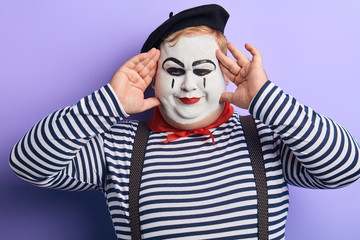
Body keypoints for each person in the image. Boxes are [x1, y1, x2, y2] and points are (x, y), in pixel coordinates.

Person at [9, 4, 360, 240]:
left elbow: (346, 167)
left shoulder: (264, 138)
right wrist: (110, 102)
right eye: (174, 70)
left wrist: (265, 99)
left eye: (203, 70)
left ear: (225, 76)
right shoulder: (118, 147)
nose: (189, 85)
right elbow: (29, 164)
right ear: (153, 78)